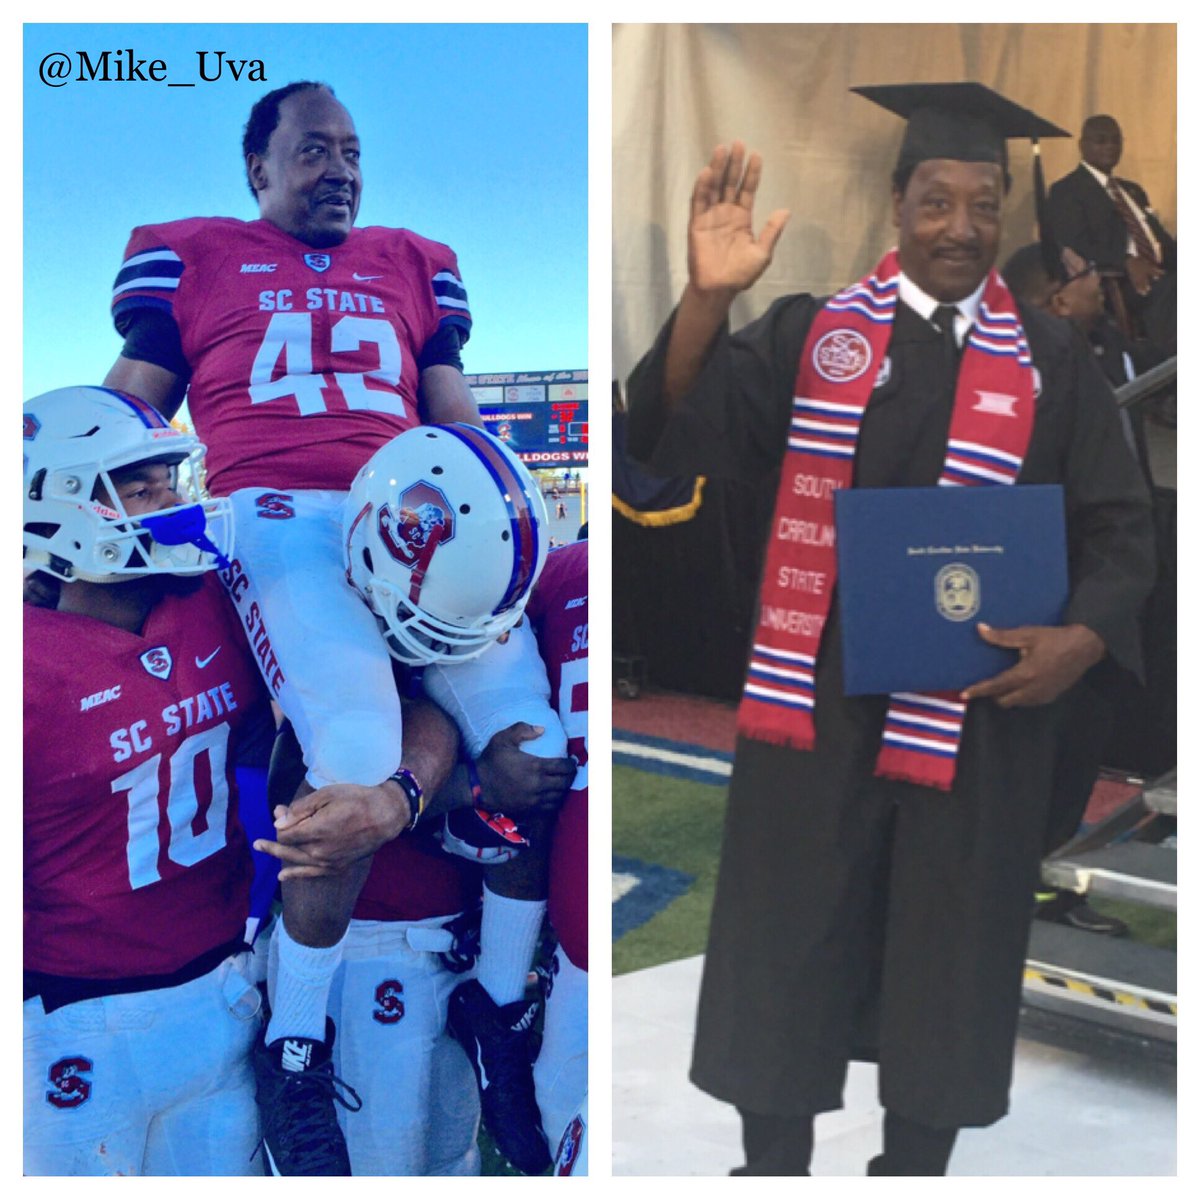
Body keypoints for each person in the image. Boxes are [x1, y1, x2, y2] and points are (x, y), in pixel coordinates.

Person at [625, 82, 1155, 1175]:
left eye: (982, 203)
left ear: (1002, 212)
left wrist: (1081, 641)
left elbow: (1122, 533)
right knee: (791, 936)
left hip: (978, 715)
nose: (960, 226)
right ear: (896, 205)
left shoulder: (1054, 364)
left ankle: (914, 1172)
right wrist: (705, 302)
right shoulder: (813, 336)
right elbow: (681, 430)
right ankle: (770, 1167)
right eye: (935, 201)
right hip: (815, 712)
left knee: (949, 951)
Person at [100, 81, 560, 1173]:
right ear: (257, 171)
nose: (339, 169)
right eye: (312, 152)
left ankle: (498, 1004)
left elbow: (453, 422)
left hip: (410, 512)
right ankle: (297, 1041)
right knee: (353, 748)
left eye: (351, 151)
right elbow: (127, 419)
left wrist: (506, 521)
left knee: (536, 749)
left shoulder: (411, 261)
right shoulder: (195, 254)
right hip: (277, 514)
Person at [23, 385, 261, 1176]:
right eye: (139, 484)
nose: (172, 501)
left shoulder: (213, 607)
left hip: (223, 993)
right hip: (72, 1021)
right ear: (57, 502)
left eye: (171, 477)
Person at [1046, 114, 1175, 351]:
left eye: (1116, 141)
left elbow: (1160, 240)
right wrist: (1127, 261)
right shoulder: (1068, 190)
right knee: (1172, 290)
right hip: (1117, 282)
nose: (1110, 147)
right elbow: (1076, 243)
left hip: (1161, 269)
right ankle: (1168, 371)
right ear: (1082, 145)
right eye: (1101, 140)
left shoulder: (1132, 190)